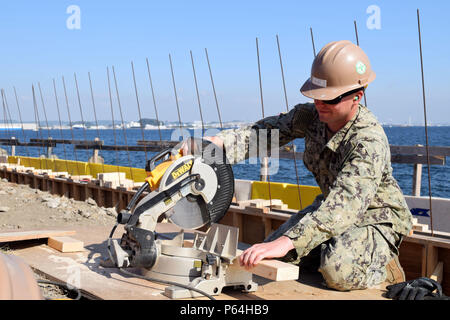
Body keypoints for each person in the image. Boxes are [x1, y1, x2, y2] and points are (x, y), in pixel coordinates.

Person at [186, 40, 412, 291]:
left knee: (337, 270)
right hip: (330, 208)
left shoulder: (368, 141)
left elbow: (347, 204)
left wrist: (289, 240)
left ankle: (384, 265)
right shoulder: (310, 117)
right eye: (316, 96)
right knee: (272, 254)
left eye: (329, 99)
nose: (319, 104)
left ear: (356, 97)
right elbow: (263, 134)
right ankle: (331, 246)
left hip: (375, 218)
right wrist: (216, 144)